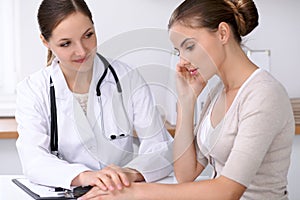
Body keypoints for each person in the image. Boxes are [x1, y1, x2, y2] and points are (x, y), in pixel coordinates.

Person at [78, 0, 295, 199]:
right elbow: (185, 174)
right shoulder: (218, 91)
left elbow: (228, 191)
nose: (183, 61)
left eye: (189, 46)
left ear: (222, 33)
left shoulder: (263, 94)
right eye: (178, 51)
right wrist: (186, 100)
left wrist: (136, 192)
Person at [15, 0, 173, 192]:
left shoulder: (127, 79)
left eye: (88, 35)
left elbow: (161, 148)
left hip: (120, 190)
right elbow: (34, 160)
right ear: (45, 42)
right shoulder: (33, 89)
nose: (82, 51)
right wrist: (84, 176)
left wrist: (130, 172)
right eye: (66, 44)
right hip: (68, 193)